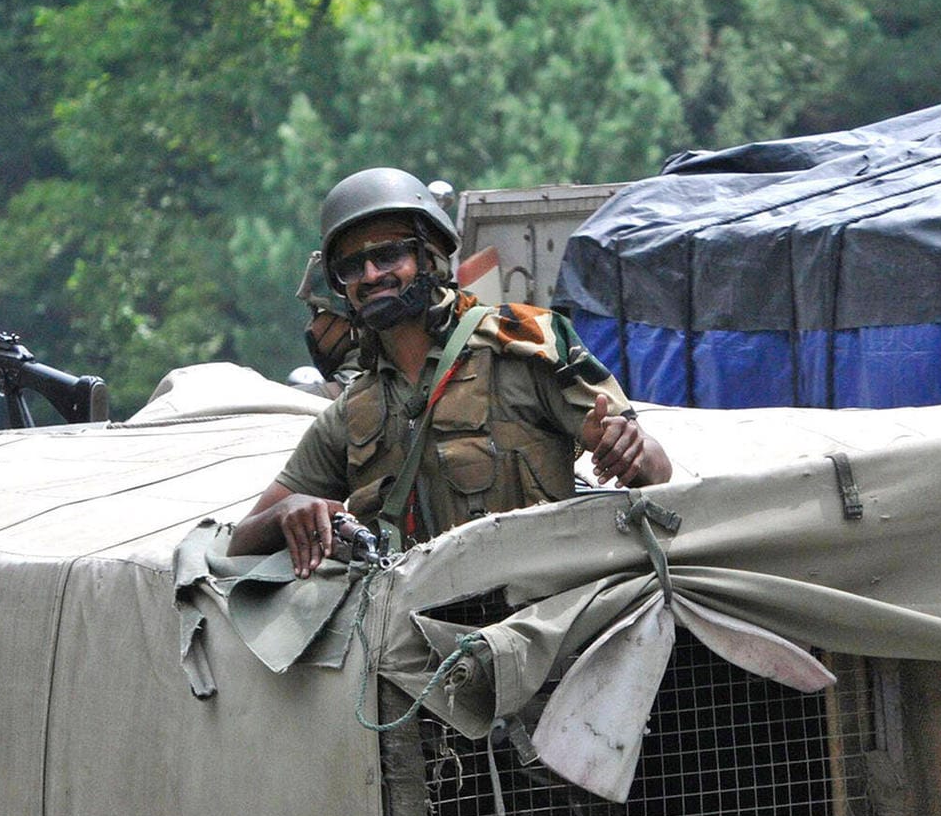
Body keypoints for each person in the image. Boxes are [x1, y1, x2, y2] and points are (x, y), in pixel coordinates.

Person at [229, 168, 671, 577]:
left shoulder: (522, 347)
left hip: (546, 616)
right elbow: (240, 544)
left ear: (430, 256)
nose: (370, 275)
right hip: (417, 639)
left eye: (387, 255)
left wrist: (627, 449)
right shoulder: (352, 411)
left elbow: (657, 471)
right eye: (351, 266)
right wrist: (291, 511)